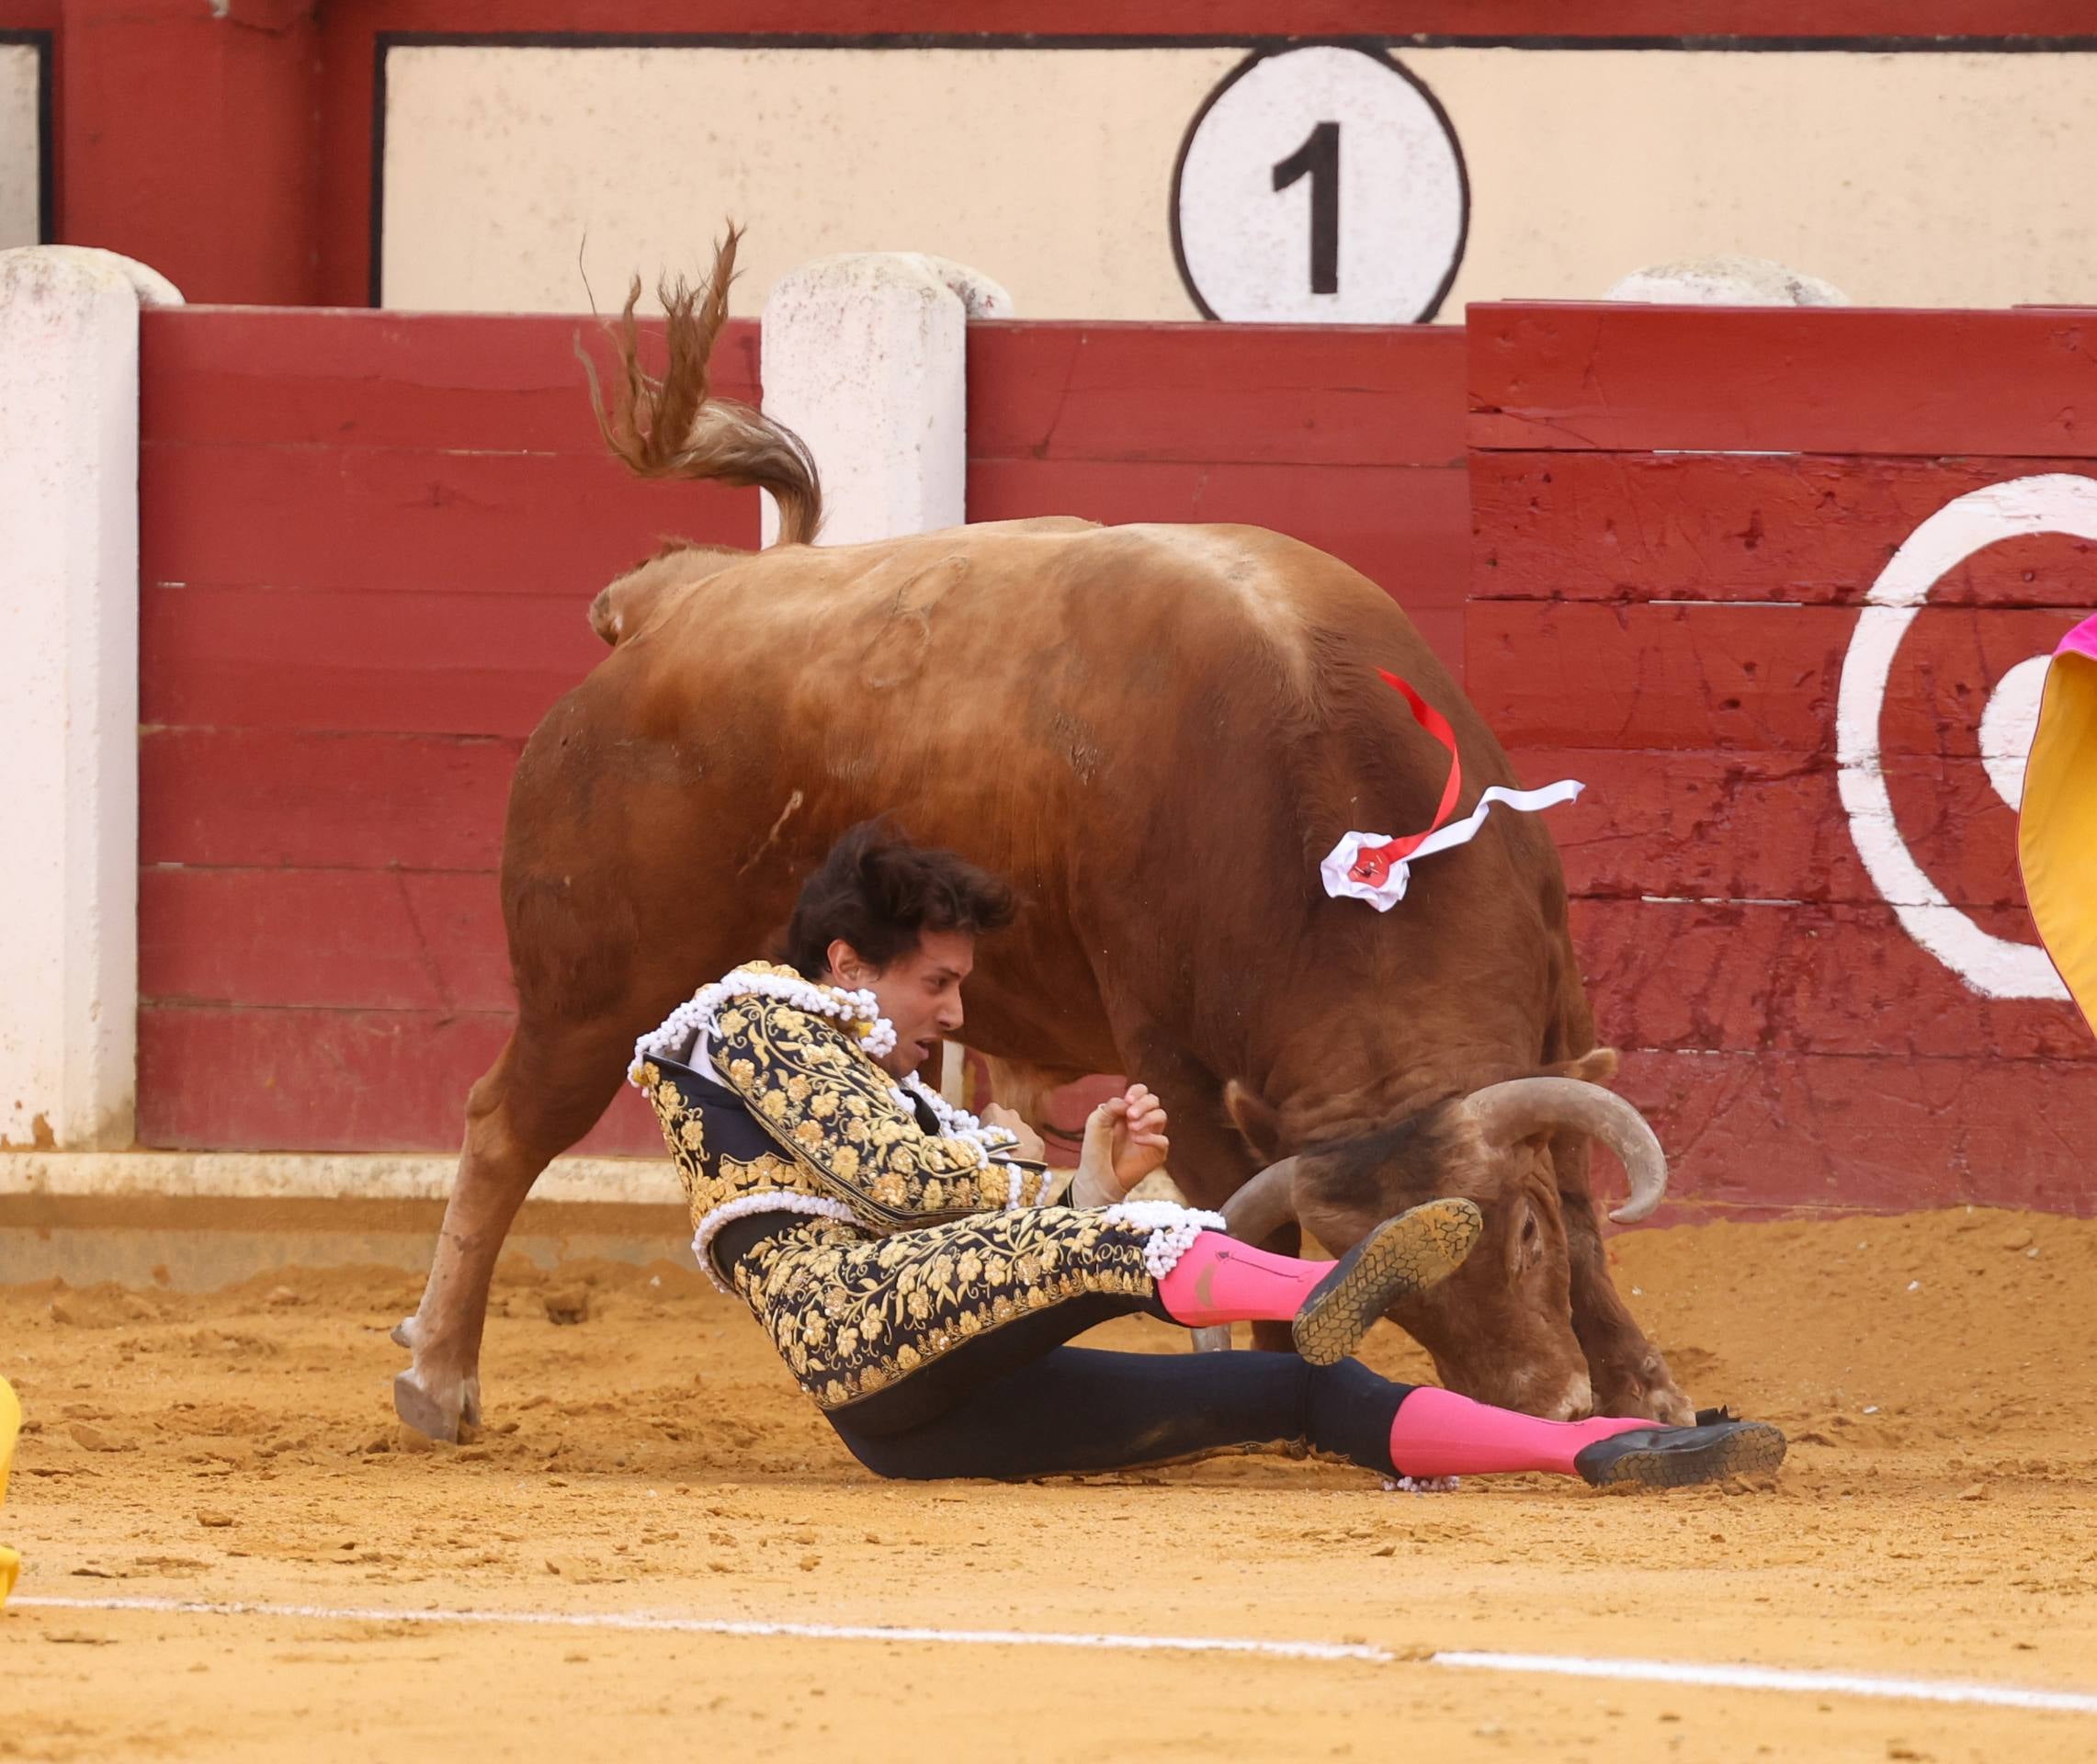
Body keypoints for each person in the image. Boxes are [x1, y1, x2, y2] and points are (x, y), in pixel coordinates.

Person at [632, 820, 1785, 1488]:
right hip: (850, 1330)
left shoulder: (872, 1074)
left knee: (1290, 1382)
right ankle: (1324, 1285)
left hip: (923, 1406)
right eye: (935, 983)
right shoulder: (750, 1019)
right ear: (846, 963)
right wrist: (1061, 1199)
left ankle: (1584, 1451)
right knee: (1133, 1243)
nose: (949, 1011)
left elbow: (971, 1234)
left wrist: (1085, 1187)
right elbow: (906, 1184)